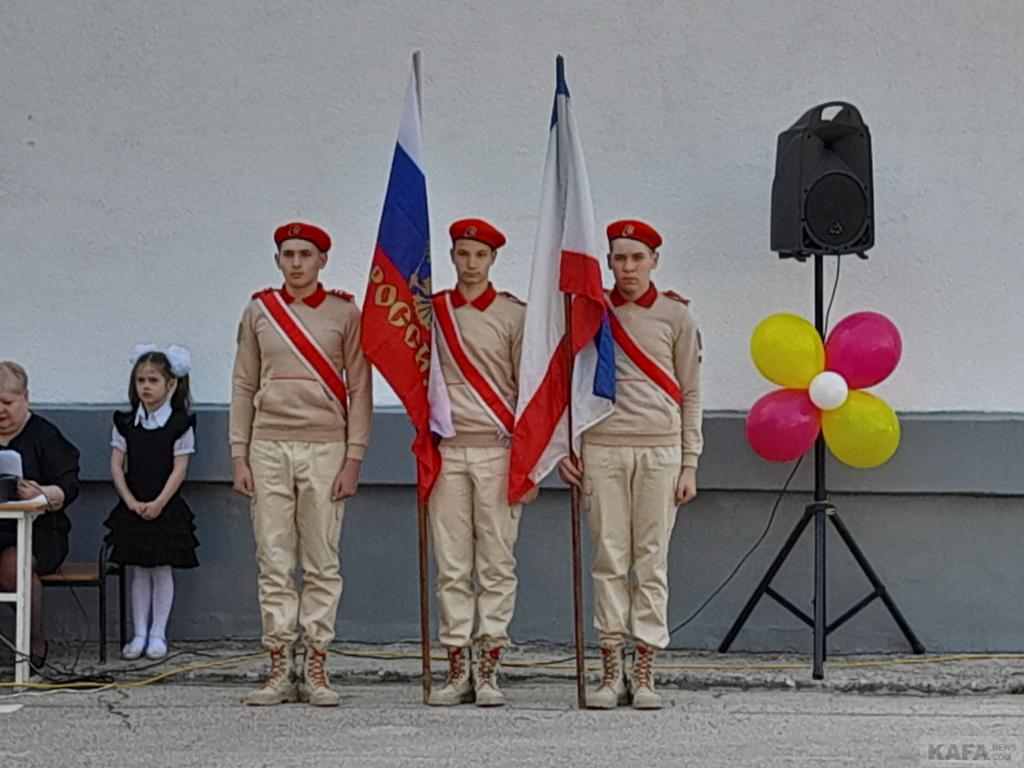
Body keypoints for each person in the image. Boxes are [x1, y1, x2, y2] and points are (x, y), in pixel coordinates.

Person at [559, 219, 703, 710]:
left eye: (637, 258)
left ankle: (645, 670)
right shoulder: (591, 312)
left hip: (660, 451)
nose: (628, 268)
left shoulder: (676, 316)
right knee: (609, 561)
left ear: (654, 261)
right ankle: (610, 668)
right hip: (603, 448)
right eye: (619, 258)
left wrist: (690, 461)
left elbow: (691, 391)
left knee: (651, 561)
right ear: (609, 262)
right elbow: (566, 380)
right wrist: (566, 446)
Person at [230, 221, 371, 707]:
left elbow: (360, 389)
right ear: (277, 260)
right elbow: (244, 384)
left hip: (325, 448)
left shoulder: (344, 313)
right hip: (268, 446)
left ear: (322, 261)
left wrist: (354, 458)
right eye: (287, 254)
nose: (296, 263)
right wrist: (238, 454)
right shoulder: (259, 311)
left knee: (321, 560)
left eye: (305, 254)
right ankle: (278, 665)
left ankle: (315, 665)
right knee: (273, 558)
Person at [427, 218, 533, 708]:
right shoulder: (433, 311)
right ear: (452, 256)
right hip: (447, 450)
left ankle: (488, 667)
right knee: (452, 564)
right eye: (463, 254)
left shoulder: (514, 316)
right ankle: (456, 666)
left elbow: (530, 391)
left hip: (498, 448)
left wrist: (528, 464)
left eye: (479, 255)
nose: (470, 264)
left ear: (492, 260)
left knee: (496, 563)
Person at [104, 345, 198, 661]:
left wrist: (158, 502)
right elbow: (117, 465)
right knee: (138, 570)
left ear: (170, 384)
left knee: (160, 568)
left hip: (164, 505)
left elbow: (180, 468)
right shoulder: (126, 423)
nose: (145, 386)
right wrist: (130, 501)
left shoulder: (179, 424)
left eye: (153, 380)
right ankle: (139, 633)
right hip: (134, 503)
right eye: (141, 380)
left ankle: (158, 633)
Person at [0, 361, 81, 671]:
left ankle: (32, 641)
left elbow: (69, 487)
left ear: (26, 399)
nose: (1, 411)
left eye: (7, 402)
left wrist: (41, 493)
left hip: (41, 531)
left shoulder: (46, 436)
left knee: (12, 563)